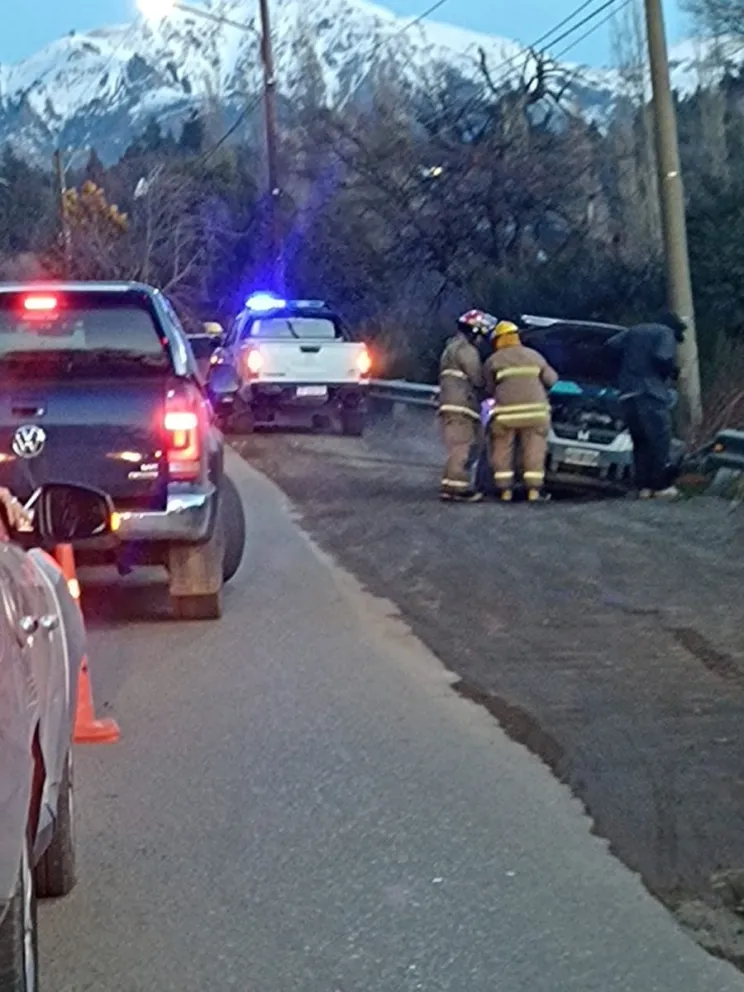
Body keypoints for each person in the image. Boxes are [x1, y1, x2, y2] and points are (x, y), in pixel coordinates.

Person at [606, 311, 686, 499]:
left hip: (627, 394)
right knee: (659, 440)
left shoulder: (633, 331)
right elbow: (663, 357)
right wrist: (670, 373)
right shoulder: (666, 332)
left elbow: (609, 346)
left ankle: (642, 486)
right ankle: (660, 487)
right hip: (650, 393)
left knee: (640, 442)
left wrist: (624, 369)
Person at [483, 319, 558, 502]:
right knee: (534, 450)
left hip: (505, 415)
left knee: (502, 450)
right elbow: (552, 380)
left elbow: (488, 388)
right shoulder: (534, 356)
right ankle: (533, 492)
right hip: (535, 414)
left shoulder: (494, 360)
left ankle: (505, 492)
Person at [437, 310, 495, 502]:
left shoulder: (451, 348)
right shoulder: (466, 351)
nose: (481, 341)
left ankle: (451, 486)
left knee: (461, 446)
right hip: (461, 405)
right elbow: (477, 379)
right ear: (475, 331)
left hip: (452, 404)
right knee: (462, 447)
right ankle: (457, 489)